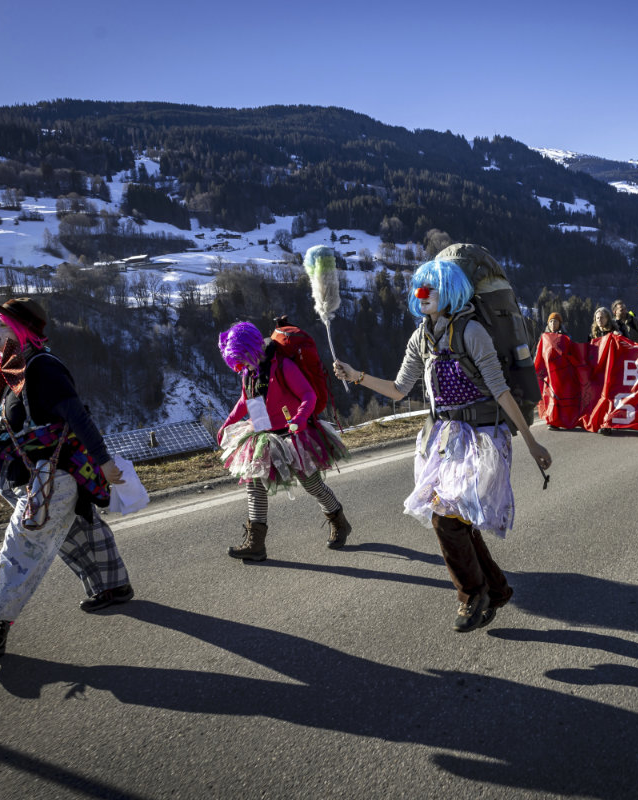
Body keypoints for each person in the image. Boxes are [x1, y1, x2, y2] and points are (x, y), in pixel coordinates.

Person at [332, 259, 551, 633]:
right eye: (420, 289)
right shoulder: (421, 337)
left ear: (449, 292)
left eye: (430, 289)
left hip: (482, 437)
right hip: (446, 440)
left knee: (445, 521)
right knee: (456, 521)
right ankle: (495, 590)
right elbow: (400, 389)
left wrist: (530, 442)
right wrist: (358, 377)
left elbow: (499, 390)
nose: (422, 295)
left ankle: (471, 595)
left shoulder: (473, 332)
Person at [0, 298, 133, 660]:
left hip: (55, 477)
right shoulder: (16, 370)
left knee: (20, 549)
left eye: (1, 327)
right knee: (80, 530)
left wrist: (105, 462)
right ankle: (114, 587)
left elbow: (78, 417)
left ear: (20, 330)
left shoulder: (44, 367)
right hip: (42, 474)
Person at [217, 320, 351, 560]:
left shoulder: (283, 365)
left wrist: (299, 419)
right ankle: (256, 544)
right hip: (263, 434)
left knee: (312, 485)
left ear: (252, 347)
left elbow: (308, 395)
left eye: (242, 357)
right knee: (254, 486)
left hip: (293, 436)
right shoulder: (248, 371)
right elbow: (245, 400)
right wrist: (227, 423)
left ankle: (339, 522)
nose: (240, 364)